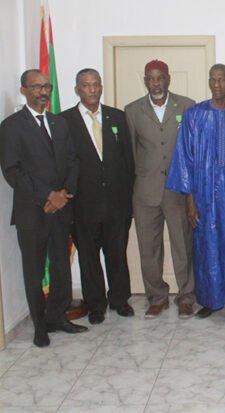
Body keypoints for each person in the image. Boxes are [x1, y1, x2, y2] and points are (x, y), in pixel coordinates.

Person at [0, 69, 86, 347]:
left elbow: (72, 161)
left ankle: (58, 317)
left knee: (61, 267)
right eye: (36, 87)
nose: (43, 92)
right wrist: (47, 195)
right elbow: (12, 171)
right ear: (23, 90)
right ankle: (40, 326)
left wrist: (63, 195)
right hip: (32, 213)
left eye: (46, 86)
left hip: (61, 211)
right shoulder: (12, 126)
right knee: (34, 271)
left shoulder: (60, 123)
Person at [165, 64, 225, 320]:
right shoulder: (194, 115)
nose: (217, 85)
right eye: (213, 80)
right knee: (207, 247)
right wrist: (190, 201)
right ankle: (211, 301)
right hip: (203, 196)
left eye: (222, 80)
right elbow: (185, 158)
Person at [60, 68, 136, 324]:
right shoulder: (64, 121)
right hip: (83, 204)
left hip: (117, 203)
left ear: (101, 87)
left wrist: (129, 200)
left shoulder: (117, 117)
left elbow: (128, 160)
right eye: (86, 85)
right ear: (77, 90)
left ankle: (120, 300)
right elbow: (63, 164)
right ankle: (95, 305)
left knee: (117, 254)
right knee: (89, 258)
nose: (92, 89)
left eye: (95, 84)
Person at [124, 60, 196, 319]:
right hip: (145, 192)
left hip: (178, 191)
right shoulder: (132, 111)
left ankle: (186, 296)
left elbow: (192, 150)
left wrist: (192, 192)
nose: (155, 83)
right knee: (149, 248)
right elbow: (130, 154)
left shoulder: (187, 106)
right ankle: (157, 297)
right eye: (150, 78)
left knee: (183, 246)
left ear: (168, 79)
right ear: (146, 81)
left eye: (160, 78)